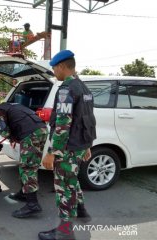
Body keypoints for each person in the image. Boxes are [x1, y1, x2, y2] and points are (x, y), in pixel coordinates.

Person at [38, 50, 96, 240]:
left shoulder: (66, 89)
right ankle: (82, 212)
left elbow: (63, 124)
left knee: (64, 186)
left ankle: (64, 232)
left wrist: (52, 152)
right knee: (72, 180)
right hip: (79, 146)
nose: (54, 72)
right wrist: (87, 145)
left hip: (67, 149)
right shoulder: (84, 88)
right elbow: (87, 119)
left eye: (54, 68)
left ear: (62, 66)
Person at [0, 99, 48, 218]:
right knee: (30, 164)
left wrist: (11, 137)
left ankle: (32, 204)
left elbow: (5, 132)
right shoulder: (14, 105)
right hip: (42, 130)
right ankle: (24, 193)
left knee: (27, 168)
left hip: (30, 135)